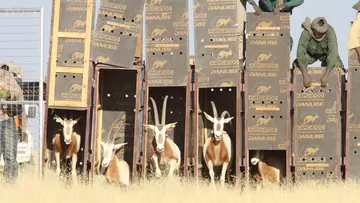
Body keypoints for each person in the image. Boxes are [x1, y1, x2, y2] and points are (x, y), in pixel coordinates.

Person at [293, 17, 343, 88]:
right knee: (298, 64)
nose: (318, 35)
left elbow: (333, 52)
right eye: (315, 33)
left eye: (320, 34)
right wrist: (305, 75)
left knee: (337, 64)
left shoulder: (330, 31)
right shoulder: (306, 32)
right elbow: (300, 52)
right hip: (310, 55)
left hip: (325, 55)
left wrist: (326, 76)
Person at [0, 63, 23, 183]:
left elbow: (16, 94)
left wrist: (6, 92)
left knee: (9, 155)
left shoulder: (7, 77)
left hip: (6, 119)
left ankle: (11, 184)